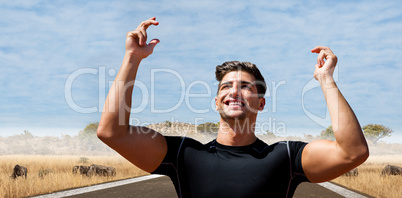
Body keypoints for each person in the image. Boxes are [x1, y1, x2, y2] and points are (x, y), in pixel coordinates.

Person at [97, 17, 369, 198]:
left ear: (261, 104)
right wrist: (132, 58)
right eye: (226, 87)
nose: (234, 91)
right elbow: (111, 132)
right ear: (216, 102)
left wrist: (326, 79)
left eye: (246, 86)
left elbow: (352, 152)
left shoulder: (286, 156)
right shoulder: (183, 154)